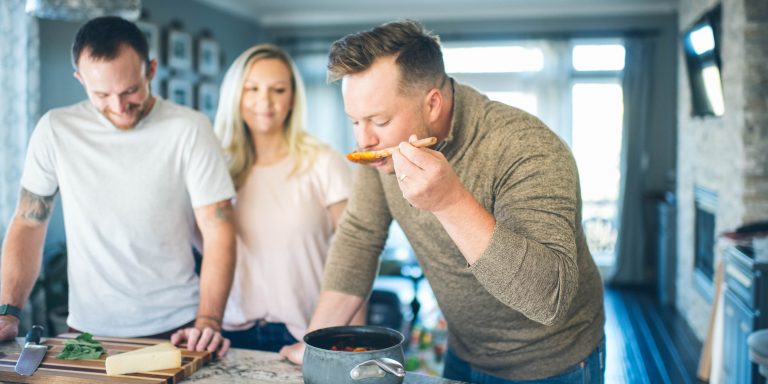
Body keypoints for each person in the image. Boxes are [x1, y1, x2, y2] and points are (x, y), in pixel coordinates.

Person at [280, 20, 606, 383]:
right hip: (462, 355)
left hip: (554, 364)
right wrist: (315, 347)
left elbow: (549, 298)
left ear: (432, 103)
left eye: (379, 120)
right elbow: (359, 238)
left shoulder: (528, 148)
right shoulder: (378, 154)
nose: (364, 139)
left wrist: (450, 202)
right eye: (355, 121)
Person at [0, 16, 235, 356]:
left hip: (180, 327)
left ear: (151, 70)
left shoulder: (190, 129)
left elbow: (220, 231)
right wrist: (8, 311)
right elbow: (28, 223)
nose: (119, 107)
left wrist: (209, 319)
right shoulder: (55, 129)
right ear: (80, 80)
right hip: (87, 330)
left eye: (130, 90)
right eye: (102, 95)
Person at [213, 44, 365, 352]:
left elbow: (358, 253)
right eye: (251, 88)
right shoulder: (216, 166)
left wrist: (353, 338)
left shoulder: (322, 161)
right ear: (235, 95)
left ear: (293, 97)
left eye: (278, 90)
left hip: (308, 334)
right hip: (232, 334)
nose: (264, 102)